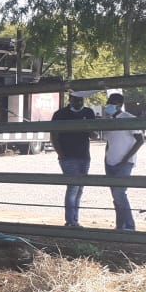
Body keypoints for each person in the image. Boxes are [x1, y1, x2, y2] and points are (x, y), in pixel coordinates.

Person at [50, 91, 97, 228]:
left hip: (84, 155)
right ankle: (71, 221)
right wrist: (60, 153)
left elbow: (94, 134)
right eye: (76, 100)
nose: (79, 103)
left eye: (81, 101)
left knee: (79, 188)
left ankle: (74, 219)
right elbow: (54, 135)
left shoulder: (88, 112)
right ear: (70, 100)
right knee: (73, 188)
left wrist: (89, 128)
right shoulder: (60, 114)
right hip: (68, 155)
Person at [101, 93, 144, 231]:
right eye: (108, 102)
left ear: (119, 104)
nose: (109, 105)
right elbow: (109, 142)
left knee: (119, 194)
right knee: (116, 195)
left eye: (112, 103)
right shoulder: (108, 120)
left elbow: (140, 140)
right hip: (110, 161)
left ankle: (130, 226)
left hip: (125, 162)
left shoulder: (129, 119)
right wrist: (106, 157)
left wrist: (126, 158)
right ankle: (120, 226)